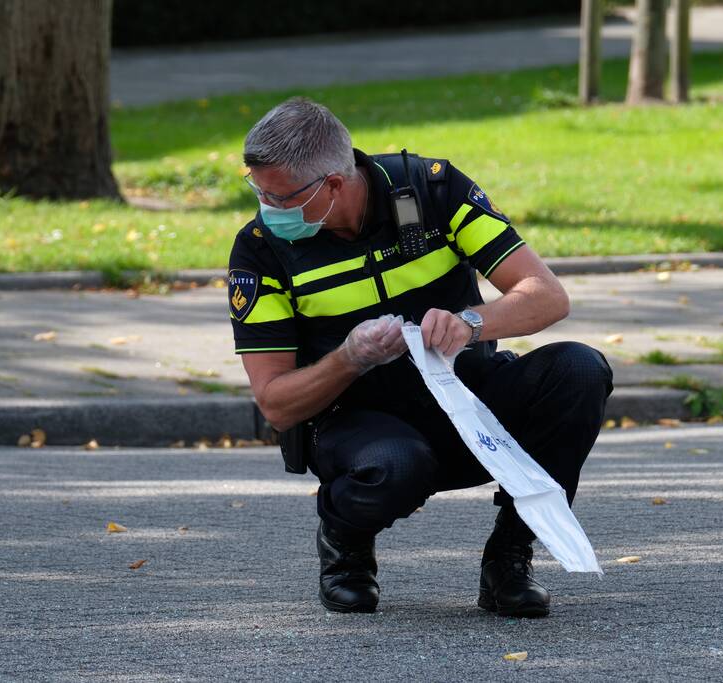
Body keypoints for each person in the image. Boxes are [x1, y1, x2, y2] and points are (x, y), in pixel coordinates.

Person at [228, 97, 612, 617]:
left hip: (465, 405)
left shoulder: (431, 190)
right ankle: (345, 545)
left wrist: (469, 323)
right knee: (396, 463)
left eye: (279, 197)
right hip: (360, 428)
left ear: (333, 184)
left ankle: (510, 556)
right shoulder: (261, 249)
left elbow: (546, 295)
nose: (266, 209)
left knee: (580, 369)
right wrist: (349, 358)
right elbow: (275, 403)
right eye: (258, 191)